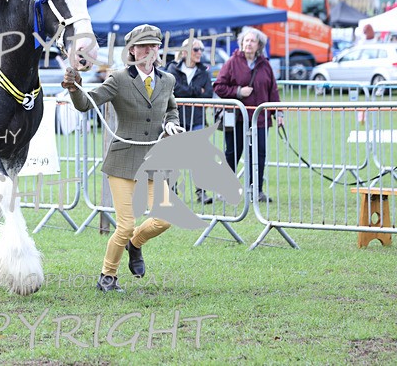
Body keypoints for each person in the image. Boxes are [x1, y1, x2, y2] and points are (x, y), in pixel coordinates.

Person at [62, 24, 184, 292]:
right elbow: (86, 103)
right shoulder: (118, 79)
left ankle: (135, 245)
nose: (150, 51)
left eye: (154, 45)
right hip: (123, 160)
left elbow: (171, 109)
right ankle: (107, 276)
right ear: (132, 50)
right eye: (144, 46)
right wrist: (75, 88)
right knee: (125, 225)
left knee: (164, 219)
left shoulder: (167, 80)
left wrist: (172, 124)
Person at [213, 27, 283, 204]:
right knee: (232, 153)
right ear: (241, 43)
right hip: (237, 118)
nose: (249, 44)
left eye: (252, 41)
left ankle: (256, 191)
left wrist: (278, 113)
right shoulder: (232, 62)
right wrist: (238, 91)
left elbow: (272, 91)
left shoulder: (265, 64)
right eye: (246, 40)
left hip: (260, 119)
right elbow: (219, 86)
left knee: (259, 154)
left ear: (259, 45)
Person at [165, 37, 214, 204]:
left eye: (201, 50)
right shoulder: (172, 68)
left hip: (197, 118)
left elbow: (207, 93)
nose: (199, 53)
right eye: (196, 49)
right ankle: (171, 190)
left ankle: (202, 192)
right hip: (176, 118)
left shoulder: (204, 72)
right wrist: (194, 91)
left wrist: (187, 92)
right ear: (185, 52)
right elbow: (173, 88)